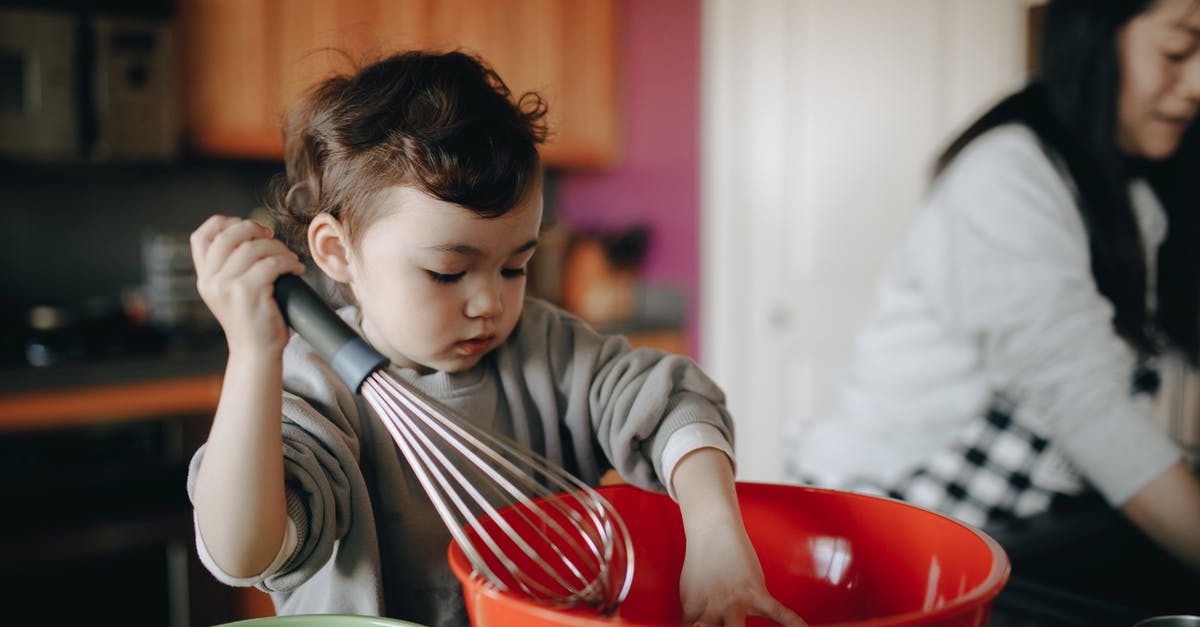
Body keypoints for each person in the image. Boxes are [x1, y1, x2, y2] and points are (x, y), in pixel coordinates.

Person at [187, 50, 805, 627]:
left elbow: (676, 403)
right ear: (336, 251)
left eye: (515, 266)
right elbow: (245, 552)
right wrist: (253, 357)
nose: (490, 301)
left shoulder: (548, 352)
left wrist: (716, 533)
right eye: (448, 273)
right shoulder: (313, 390)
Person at [787, 0, 1200, 575]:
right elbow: (1084, 407)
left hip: (1006, 533)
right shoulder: (1006, 177)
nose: (1197, 82)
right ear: (1095, 38)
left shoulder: (1139, 195)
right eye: (1177, 51)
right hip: (886, 525)